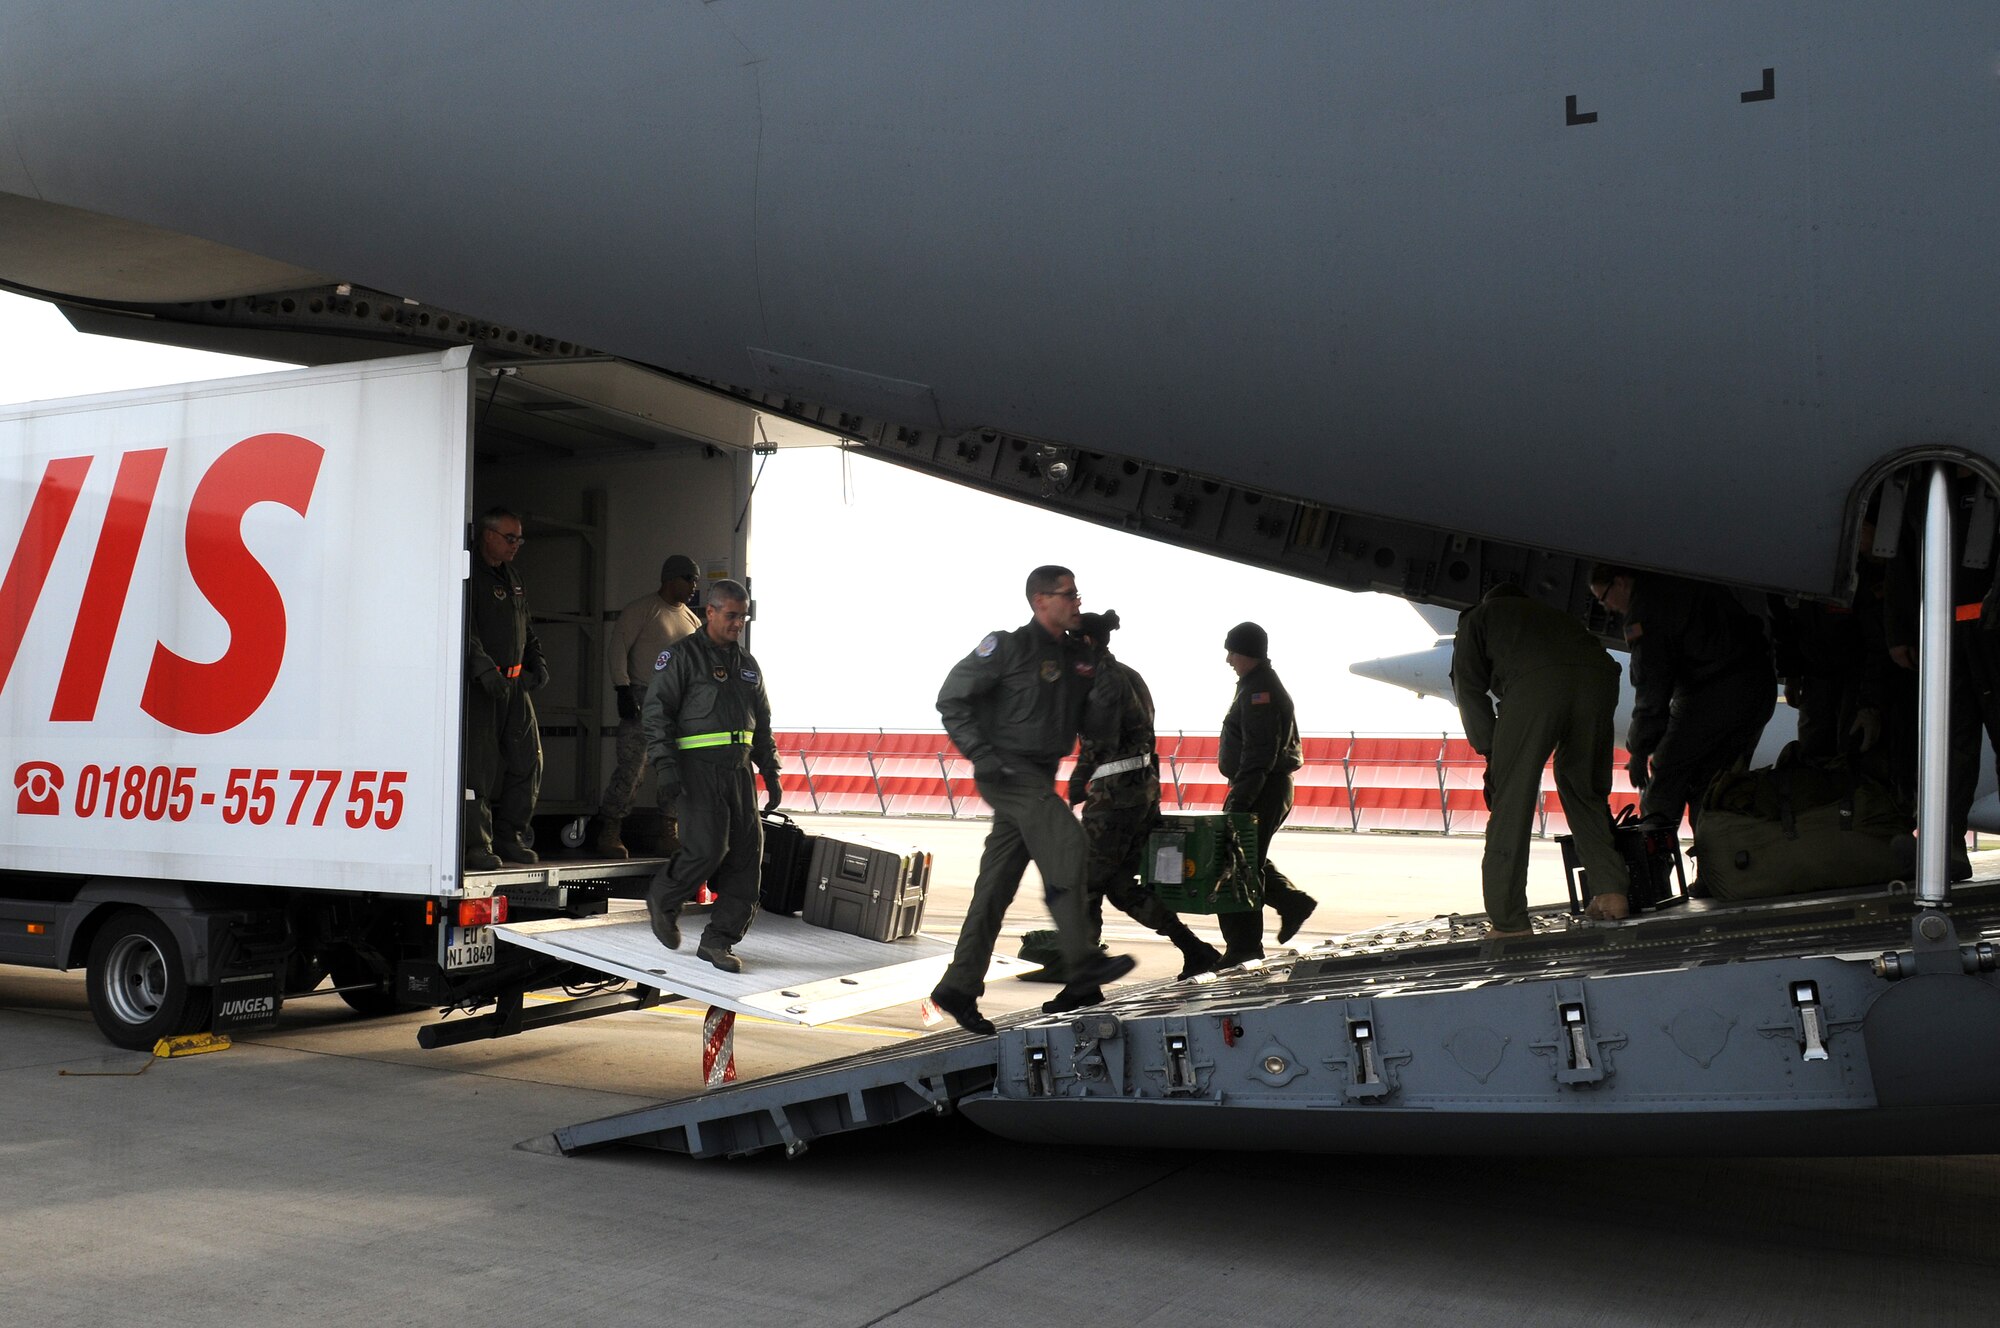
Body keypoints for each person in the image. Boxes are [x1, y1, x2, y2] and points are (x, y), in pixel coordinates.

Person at [929, 566, 1137, 1035]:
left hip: (1041, 774)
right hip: (1006, 769)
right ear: (1040, 600)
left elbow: (1101, 722)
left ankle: (958, 987)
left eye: (1078, 596)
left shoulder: (1075, 656)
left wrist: (1097, 655)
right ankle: (1083, 965)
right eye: (1069, 596)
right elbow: (952, 698)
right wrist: (979, 752)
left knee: (995, 887)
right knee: (1068, 843)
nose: (1076, 603)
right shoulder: (1006, 646)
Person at [1054, 610, 1224, 1012]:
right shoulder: (1129, 675)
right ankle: (1196, 950)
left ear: (1089, 643)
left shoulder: (1103, 681)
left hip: (1115, 799)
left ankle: (1084, 984)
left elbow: (1099, 742)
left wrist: (1078, 782)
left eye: (1070, 639)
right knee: (1118, 885)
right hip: (1139, 792)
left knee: (1083, 886)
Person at [1451, 583, 1629, 934]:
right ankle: (1611, 893)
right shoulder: (1555, 615)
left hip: (1537, 685)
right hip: (1600, 679)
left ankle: (1508, 920)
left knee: (1512, 801)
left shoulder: (1480, 617)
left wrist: (1491, 752)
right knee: (1584, 791)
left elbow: (1468, 688)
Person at [641, 579, 782, 973]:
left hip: (737, 774)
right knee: (706, 849)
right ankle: (664, 899)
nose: (739, 623)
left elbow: (763, 723)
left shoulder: (748, 667)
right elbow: (656, 714)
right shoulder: (681, 657)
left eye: (744, 616)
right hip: (696, 771)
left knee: (746, 861)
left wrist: (770, 771)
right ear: (711, 612)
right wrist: (666, 767)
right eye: (732, 615)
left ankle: (718, 941)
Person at [1588, 566, 1776, 835]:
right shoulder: (1682, 578)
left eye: (1603, 598)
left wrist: (1640, 750)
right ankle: (1716, 870)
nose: (1607, 608)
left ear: (1621, 582)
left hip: (1715, 692)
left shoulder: (1644, 613)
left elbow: (1651, 690)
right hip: (1758, 685)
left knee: (1664, 782)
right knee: (1717, 787)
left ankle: (1652, 870)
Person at [1215, 622, 1319, 963]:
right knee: (1247, 857)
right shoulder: (1254, 686)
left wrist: (1240, 801)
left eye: (1232, 651)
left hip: (1261, 787)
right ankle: (1291, 902)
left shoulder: (1260, 692)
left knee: (1237, 864)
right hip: (1262, 786)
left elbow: (1259, 752)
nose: (1228, 658)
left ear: (1248, 652)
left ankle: (1244, 948)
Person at [595, 554, 703, 858]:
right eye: (689, 578)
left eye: (695, 579)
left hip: (679, 705)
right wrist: (622, 688)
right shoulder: (643, 610)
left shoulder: (692, 621)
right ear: (670, 578)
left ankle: (668, 831)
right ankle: (610, 830)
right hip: (644, 699)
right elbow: (618, 648)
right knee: (632, 767)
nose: (694, 585)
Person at [464, 507, 547, 869]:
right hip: (484, 688)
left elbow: (525, 626)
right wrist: (484, 672)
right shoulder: (469, 575)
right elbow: (464, 629)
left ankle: (510, 835)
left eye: (520, 539)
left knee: (529, 760)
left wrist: (537, 662)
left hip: (515, 688)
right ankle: (475, 844)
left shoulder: (512, 576)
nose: (516, 545)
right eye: (510, 538)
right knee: (478, 769)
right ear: (488, 536)